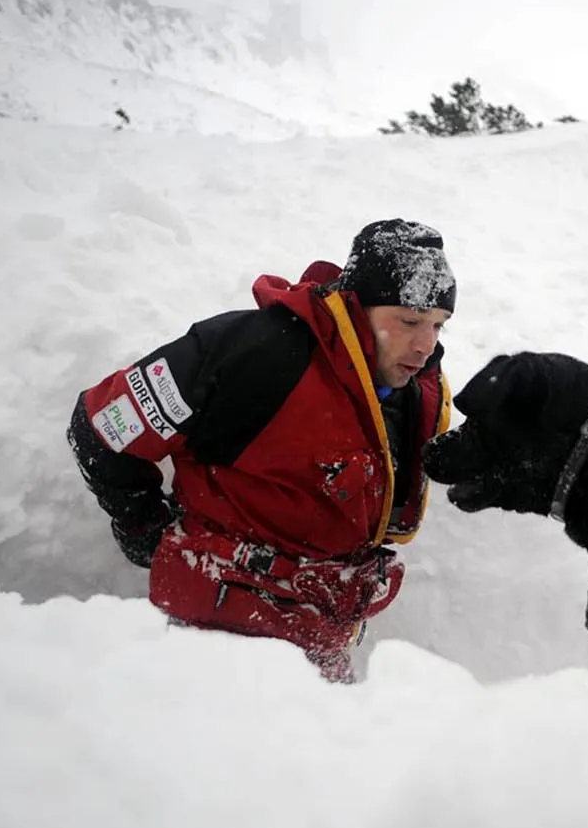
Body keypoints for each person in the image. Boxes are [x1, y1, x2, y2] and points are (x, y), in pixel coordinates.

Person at [67, 219, 456, 680]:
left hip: (323, 643)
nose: (425, 345)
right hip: (216, 647)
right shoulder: (259, 351)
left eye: (437, 325)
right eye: (409, 321)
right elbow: (103, 425)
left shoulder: (410, 393)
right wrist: (143, 527)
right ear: (358, 306)